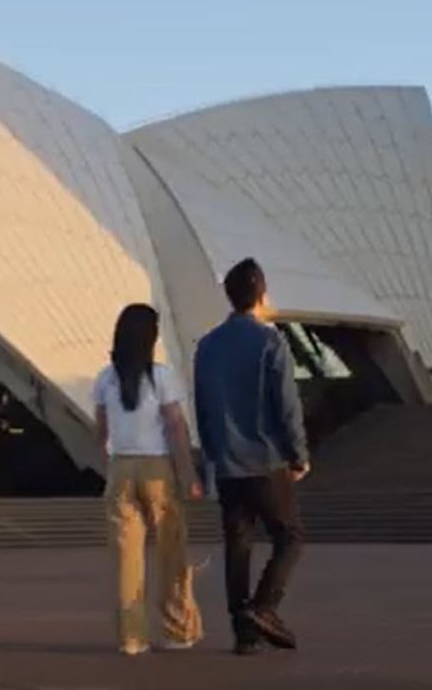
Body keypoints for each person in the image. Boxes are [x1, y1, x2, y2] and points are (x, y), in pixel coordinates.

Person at [194, 258, 309, 655]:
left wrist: (211, 457)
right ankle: (263, 608)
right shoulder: (270, 341)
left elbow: (203, 408)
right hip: (265, 459)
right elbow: (287, 404)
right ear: (261, 294)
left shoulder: (206, 346)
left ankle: (244, 635)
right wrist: (299, 454)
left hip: (226, 463)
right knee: (290, 535)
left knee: (238, 544)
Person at [94, 303, 203, 656]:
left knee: (127, 558)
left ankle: (131, 638)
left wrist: (108, 461)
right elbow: (174, 425)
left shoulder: (105, 378)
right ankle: (177, 629)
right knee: (171, 552)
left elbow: (102, 428)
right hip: (157, 469)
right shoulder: (161, 376)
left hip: (120, 468)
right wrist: (189, 475)